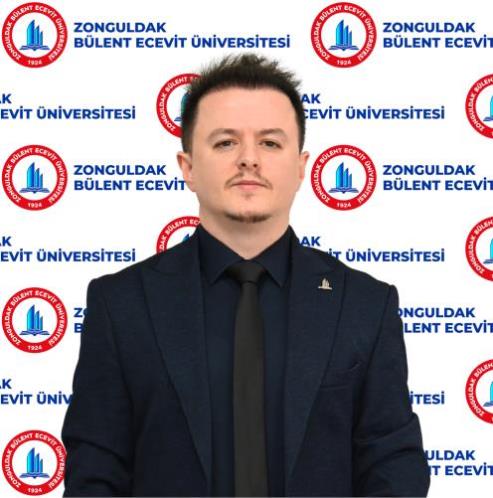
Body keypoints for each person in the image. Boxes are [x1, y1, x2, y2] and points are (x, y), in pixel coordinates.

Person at [61, 53, 430, 497]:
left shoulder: (365, 304)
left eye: (270, 143)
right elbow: (95, 473)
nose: (249, 159)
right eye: (225, 143)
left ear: (301, 167)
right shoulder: (121, 304)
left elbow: (393, 467)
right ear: (187, 167)